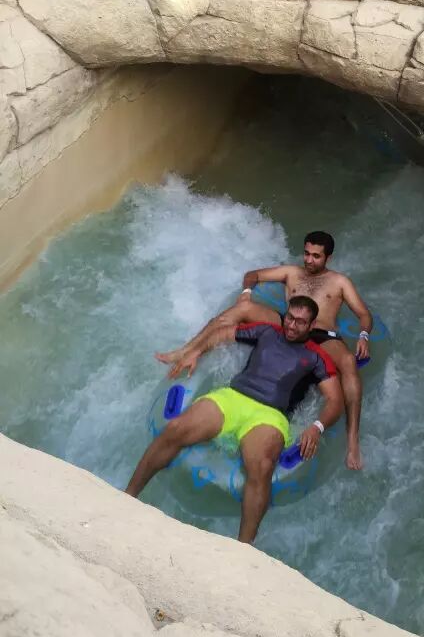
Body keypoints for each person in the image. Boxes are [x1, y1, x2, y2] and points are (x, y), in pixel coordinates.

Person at [126, 296, 343, 543]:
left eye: (300, 322)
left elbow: (335, 399)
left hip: (270, 415)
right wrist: (195, 352)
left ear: (312, 325)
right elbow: (223, 333)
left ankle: (243, 547)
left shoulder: (316, 357)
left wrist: (317, 427)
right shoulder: (267, 332)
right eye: (290, 318)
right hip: (233, 398)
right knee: (176, 428)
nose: (292, 326)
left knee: (261, 466)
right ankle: (128, 496)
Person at [157, 231, 372, 471]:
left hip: (322, 334)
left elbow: (363, 314)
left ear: (328, 258)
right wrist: (246, 293)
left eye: (316, 256)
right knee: (243, 309)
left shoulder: (340, 282)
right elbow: (252, 275)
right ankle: (187, 351)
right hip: (287, 324)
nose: (309, 260)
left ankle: (352, 442)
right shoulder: (291, 272)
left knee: (348, 362)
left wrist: (364, 335)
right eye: (306, 253)